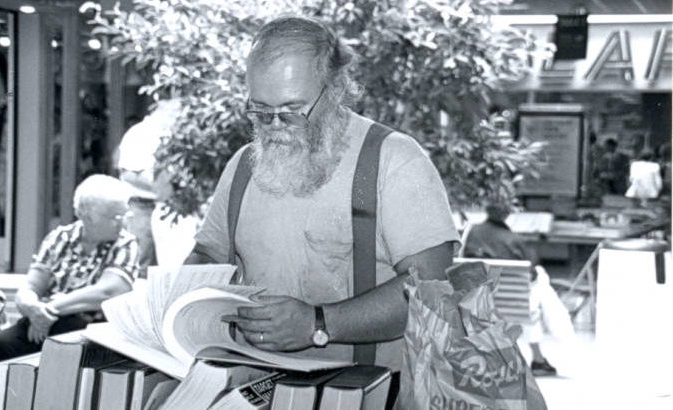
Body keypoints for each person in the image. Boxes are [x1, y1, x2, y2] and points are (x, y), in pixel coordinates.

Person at [185, 15, 459, 373]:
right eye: (261, 111)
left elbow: (432, 289)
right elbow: (208, 254)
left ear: (335, 90)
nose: (275, 127)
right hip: (252, 385)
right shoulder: (244, 165)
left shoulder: (392, 160)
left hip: (365, 390)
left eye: (292, 111)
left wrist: (320, 324)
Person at [0, 175, 139, 365]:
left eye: (125, 215)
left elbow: (108, 291)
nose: (123, 223)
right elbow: (30, 287)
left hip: (91, 328)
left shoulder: (125, 243)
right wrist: (33, 309)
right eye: (116, 217)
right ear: (86, 216)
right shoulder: (60, 238)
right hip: (46, 322)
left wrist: (51, 308)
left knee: (71, 345)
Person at [464, 202, 576, 376]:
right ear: (507, 214)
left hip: (477, 300)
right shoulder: (513, 240)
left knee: (534, 295)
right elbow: (531, 272)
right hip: (515, 303)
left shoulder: (472, 232)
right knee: (537, 288)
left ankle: (546, 347)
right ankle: (552, 346)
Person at [116, 100, 180, 275]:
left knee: (167, 265)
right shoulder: (139, 134)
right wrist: (168, 187)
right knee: (140, 263)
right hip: (142, 207)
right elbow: (129, 174)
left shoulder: (171, 135)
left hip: (168, 208)